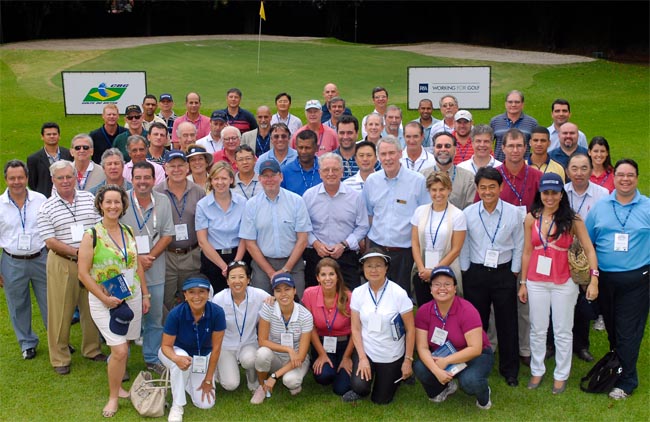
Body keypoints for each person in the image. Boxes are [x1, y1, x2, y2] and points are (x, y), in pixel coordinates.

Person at [518, 173, 598, 394]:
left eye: (554, 193)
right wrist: (523, 282)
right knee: (537, 328)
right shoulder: (531, 218)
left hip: (564, 282)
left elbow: (590, 249)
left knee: (563, 330)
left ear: (562, 195)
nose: (550, 197)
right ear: (540, 194)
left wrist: (594, 278)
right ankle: (537, 369)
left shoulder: (573, 220)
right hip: (536, 281)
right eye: (546, 192)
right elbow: (526, 252)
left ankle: (561, 374)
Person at [77, 184, 150, 418]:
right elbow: (83, 273)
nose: (112, 206)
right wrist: (104, 298)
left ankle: (118, 385)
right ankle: (113, 396)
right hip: (103, 300)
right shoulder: (91, 235)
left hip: (132, 297)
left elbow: (136, 264)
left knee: (125, 346)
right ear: (100, 204)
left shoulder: (128, 231)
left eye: (117, 202)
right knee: (118, 350)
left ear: (123, 205)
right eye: (108, 202)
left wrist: (145, 294)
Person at [585, 158, 649, 400]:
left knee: (628, 332)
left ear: (637, 178)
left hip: (637, 280)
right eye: (621, 174)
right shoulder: (601, 207)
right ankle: (617, 366)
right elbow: (588, 241)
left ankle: (627, 381)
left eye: (630, 175)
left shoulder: (648, 207)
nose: (625, 179)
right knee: (613, 329)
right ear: (614, 177)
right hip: (605, 280)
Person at [37, 160, 105, 375]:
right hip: (62, 262)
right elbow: (49, 241)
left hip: (91, 262)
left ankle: (92, 349)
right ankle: (60, 358)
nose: (65, 181)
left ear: (76, 177)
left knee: (91, 307)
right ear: (53, 180)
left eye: (69, 176)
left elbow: (99, 225)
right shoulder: (46, 207)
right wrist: (78, 252)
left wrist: (89, 253)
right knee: (60, 310)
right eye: (60, 178)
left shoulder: (88, 198)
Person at [460, 167, 524, 387]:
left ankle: (510, 370)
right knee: (476, 323)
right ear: (477, 189)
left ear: (501, 187)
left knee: (508, 323)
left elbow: (519, 242)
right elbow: (465, 245)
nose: (487, 192)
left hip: (504, 273)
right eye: (483, 187)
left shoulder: (513, 212)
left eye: (492, 187)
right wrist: (466, 269)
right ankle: (476, 365)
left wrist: (514, 270)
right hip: (476, 274)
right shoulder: (468, 213)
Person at [120, 161, 174, 375]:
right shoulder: (121, 200)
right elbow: (112, 233)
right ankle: (120, 360)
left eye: (147, 178)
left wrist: (149, 256)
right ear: (131, 179)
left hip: (155, 268)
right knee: (123, 316)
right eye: (138, 178)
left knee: (154, 318)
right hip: (126, 271)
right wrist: (136, 259)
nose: (142, 182)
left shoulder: (162, 201)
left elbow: (168, 234)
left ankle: (152, 357)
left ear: (154, 180)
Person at [494, 128, 543, 368]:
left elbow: (549, 207)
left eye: (519, 146)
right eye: (510, 146)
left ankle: (525, 347)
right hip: (499, 248)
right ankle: (491, 345)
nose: (514, 150)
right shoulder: (493, 176)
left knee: (526, 300)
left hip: (530, 247)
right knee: (496, 301)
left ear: (526, 148)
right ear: (502, 149)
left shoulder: (536, 177)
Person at [413, 266, 494, 409]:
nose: (442, 288)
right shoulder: (424, 311)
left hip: (475, 355)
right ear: (430, 289)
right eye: (437, 284)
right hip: (443, 354)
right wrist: (436, 370)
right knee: (420, 367)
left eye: (447, 284)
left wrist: (446, 361)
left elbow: (475, 349)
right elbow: (422, 347)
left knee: (470, 382)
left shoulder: (467, 310)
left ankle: (484, 395)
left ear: (455, 288)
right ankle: (446, 386)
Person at [345, 249, 415, 404]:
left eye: (378, 265)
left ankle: (401, 373)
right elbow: (355, 328)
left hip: (391, 354)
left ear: (386, 268)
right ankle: (368, 372)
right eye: (369, 266)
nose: (374, 270)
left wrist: (408, 360)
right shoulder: (358, 293)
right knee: (359, 387)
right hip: (367, 351)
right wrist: (362, 358)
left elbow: (410, 330)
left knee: (381, 400)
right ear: (363, 269)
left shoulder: (398, 293)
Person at [364, 136, 430, 295]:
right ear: (378, 156)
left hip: (405, 252)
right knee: (376, 293)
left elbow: (424, 217)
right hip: (378, 248)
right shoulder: (372, 181)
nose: (388, 158)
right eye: (383, 154)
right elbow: (369, 214)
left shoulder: (418, 181)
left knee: (402, 296)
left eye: (392, 153)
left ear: (400, 153)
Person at [239, 159, 312, 297]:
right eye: (265, 176)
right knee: (263, 308)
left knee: (297, 305)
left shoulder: (296, 201)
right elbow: (250, 243)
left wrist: (286, 269)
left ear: (281, 176)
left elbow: (302, 240)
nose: (269, 179)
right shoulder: (251, 205)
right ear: (259, 178)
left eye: (273, 175)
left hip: (293, 263)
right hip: (263, 265)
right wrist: (271, 272)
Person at [561, 153, 608, 362]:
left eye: (583, 168)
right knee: (561, 298)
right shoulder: (561, 192)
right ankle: (554, 344)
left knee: (583, 302)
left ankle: (581, 345)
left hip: (589, 251)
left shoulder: (602, 194)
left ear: (591, 170)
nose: (579, 173)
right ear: (568, 171)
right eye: (574, 168)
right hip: (563, 252)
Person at [159, 275, 226, 421]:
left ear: (208, 294)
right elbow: (165, 346)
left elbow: (216, 349)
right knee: (181, 361)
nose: (197, 296)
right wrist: (176, 358)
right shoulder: (176, 314)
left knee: (206, 404)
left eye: (201, 291)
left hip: (201, 357)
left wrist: (208, 379)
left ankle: (186, 382)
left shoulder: (217, 313)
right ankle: (177, 406)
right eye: (191, 292)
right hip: (173, 352)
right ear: (185, 295)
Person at [0, 160, 48, 360]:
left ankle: (58, 341)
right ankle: (27, 343)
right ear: (6, 179)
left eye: (20, 177)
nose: (17, 182)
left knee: (50, 302)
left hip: (41, 257)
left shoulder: (40, 199)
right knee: (17, 304)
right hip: (12, 261)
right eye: (12, 178)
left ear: (27, 178)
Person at [303, 153, 370, 290]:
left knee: (351, 297)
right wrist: (316, 244)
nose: (331, 173)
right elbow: (304, 227)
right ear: (320, 173)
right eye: (326, 170)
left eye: (335, 169)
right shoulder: (308, 196)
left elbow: (362, 227)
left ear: (342, 172)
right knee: (315, 297)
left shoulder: (355, 197)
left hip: (346, 256)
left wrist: (344, 245)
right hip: (316, 255)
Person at [155, 151, 205, 312]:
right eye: (172, 166)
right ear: (165, 168)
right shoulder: (156, 193)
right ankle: (167, 334)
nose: (177, 169)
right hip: (166, 255)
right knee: (165, 300)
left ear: (187, 168)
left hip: (191, 254)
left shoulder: (199, 192)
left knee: (192, 299)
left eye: (181, 165)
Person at [251, 273, 313, 403]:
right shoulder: (268, 308)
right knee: (262, 353)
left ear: (295, 290)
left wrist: (274, 376)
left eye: (287, 289)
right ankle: (263, 387)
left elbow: (301, 356)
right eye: (278, 290)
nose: (283, 294)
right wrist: (288, 349)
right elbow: (262, 341)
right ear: (273, 293)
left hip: (297, 359)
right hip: (276, 355)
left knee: (291, 381)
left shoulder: (305, 315)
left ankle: (281, 379)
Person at [211, 261, 270, 393]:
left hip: (249, 344)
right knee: (231, 385)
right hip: (226, 346)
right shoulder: (218, 299)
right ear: (227, 281)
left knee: (249, 360)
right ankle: (220, 370)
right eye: (233, 277)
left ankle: (252, 379)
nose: (237, 281)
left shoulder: (259, 295)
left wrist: (273, 300)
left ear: (248, 280)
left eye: (241, 277)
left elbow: (276, 300)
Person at [411, 171, 466, 306]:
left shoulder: (458, 215)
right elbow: (415, 243)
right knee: (424, 311)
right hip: (422, 272)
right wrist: (421, 269)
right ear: (429, 191)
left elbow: (456, 249)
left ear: (449, 190)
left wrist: (435, 271)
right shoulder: (419, 211)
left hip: (447, 271)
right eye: (434, 190)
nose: (438, 194)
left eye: (442, 189)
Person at [302, 258, 355, 396]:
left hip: (345, 344)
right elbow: (310, 327)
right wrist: (322, 354)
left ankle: (341, 366)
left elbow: (356, 330)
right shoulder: (309, 294)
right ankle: (331, 366)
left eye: (331, 274)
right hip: (322, 343)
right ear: (317, 278)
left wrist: (347, 357)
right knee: (323, 377)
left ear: (337, 276)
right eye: (323, 275)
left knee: (341, 389)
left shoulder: (349, 297)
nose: (328, 279)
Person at [195, 162, 247, 294]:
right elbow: (203, 241)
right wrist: (225, 267)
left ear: (231, 179)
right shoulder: (202, 205)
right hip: (213, 259)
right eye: (216, 178)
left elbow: (245, 236)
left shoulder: (243, 203)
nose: (220, 182)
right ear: (211, 181)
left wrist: (235, 265)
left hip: (238, 255)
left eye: (224, 178)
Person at [421, 132, 476, 210]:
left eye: (447, 146)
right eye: (439, 146)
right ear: (433, 150)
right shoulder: (422, 177)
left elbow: (470, 209)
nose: (443, 149)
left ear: (455, 150)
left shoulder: (468, 178)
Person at [490, 90, 538, 162]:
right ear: (505, 104)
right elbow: (488, 143)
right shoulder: (495, 121)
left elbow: (536, 146)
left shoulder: (532, 123)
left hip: (523, 165)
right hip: (500, 165)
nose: (513, 105)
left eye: (517, 102)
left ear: (522, 104)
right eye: (510, 102)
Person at [27, 122, 72, 197]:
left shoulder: (69, 154)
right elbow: (32, 183)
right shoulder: (33, 159)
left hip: (66, 195)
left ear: (59, 136)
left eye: (54, 134)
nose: (52, 136)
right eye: (48, 134)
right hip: (44, 198)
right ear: (42, 137)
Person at [281, 129, 322, 196]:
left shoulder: (325, 170)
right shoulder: (285, 171)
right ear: (296, 147)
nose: (303, 151)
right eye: (300, 147)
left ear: (316, 148)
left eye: (307, 148)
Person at [333, 115, 360, 181]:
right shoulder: (329, 160)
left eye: (349, 133)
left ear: (357, 134)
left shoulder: (368, 158)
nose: (345, 137)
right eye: (342, 133)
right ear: (337, 133)